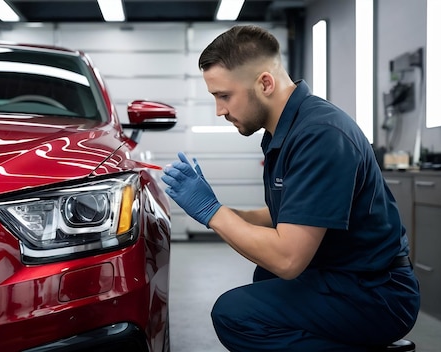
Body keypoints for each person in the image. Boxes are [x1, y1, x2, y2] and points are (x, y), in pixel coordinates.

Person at [160, 25, 420, 351]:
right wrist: (222, 208)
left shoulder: (320, 135)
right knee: (264, 277)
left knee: (235, 314)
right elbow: (291, 214)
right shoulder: (285, 131)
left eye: (224, 96)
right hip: (345, 275)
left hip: (377, 293)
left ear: (265, 83)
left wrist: (212, 213)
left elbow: (288, 258)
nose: (220, 110)